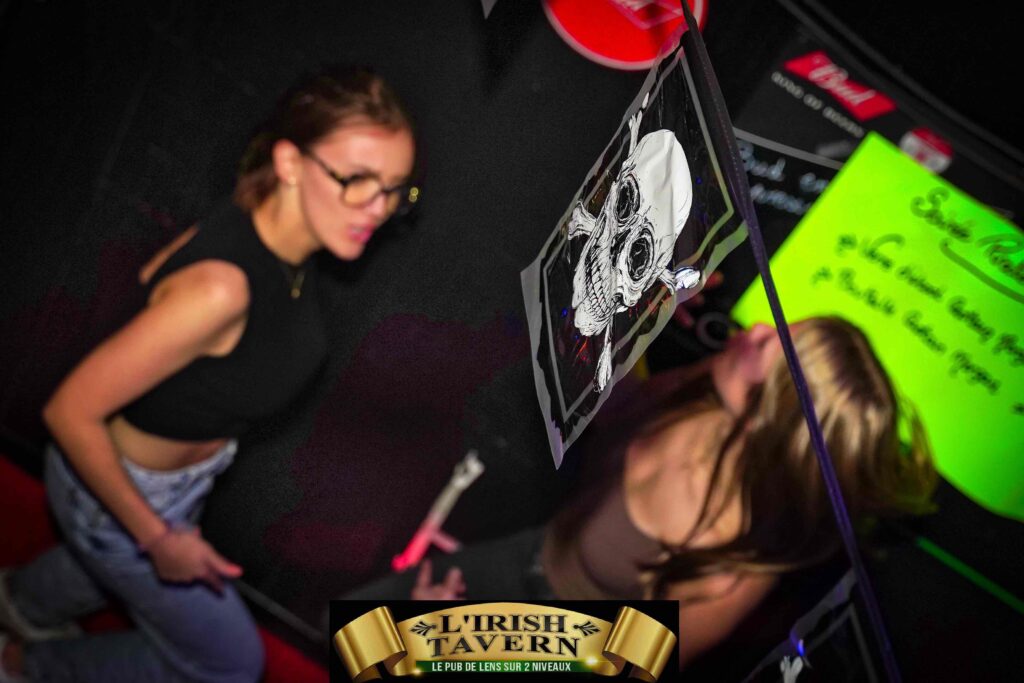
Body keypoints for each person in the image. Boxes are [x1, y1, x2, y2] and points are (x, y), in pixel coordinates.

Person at [0, 65, 418, 682]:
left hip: (176, 484)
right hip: (126, 497)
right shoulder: (222, 290)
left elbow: (153, 280)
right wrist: (157, 539)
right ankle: (25, 666)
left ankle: (20, 604)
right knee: (231, 665)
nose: (377, 209)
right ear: (290, 163)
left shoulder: (275, 231)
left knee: (93, 569)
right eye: (356, 180)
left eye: (394, 189)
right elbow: (68, 411)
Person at [344, 317, 937, 669]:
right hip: (523, 550)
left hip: (549, 644)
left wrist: (455, 646)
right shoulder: (708, 398)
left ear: (770, 417)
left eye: (767, 347)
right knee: (345, 643)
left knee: (375, 654)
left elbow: (617, 665)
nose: (754, 330)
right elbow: (609, 409)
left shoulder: (732, 564)